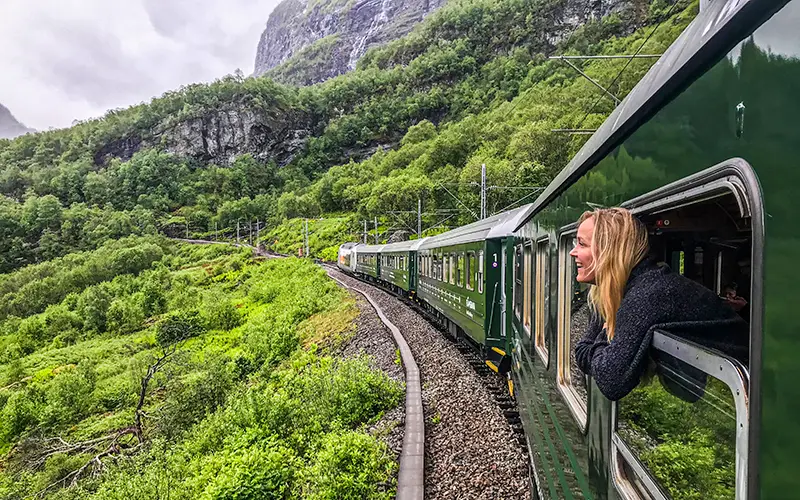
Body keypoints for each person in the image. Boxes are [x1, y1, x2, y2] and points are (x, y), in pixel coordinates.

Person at [572, 208, 749, 401]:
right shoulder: (624, 289)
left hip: (752, 387)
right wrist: (604, 345)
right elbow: (581, 351)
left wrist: (606, 336)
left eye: (582, 244)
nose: (573, 252)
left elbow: (610, 381)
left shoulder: (648, 294)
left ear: (610, 251)